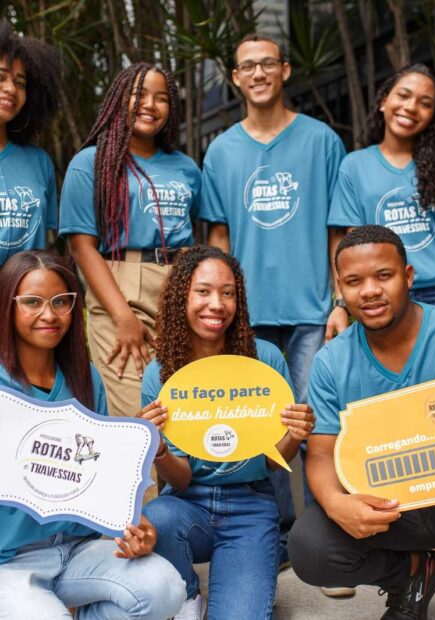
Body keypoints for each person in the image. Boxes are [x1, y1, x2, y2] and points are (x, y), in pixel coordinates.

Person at [199, 32, 348, 572]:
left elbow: (338, 231)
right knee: (264, 426)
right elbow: (218, 237)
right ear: (235, 78)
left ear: (285, 70)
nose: (258, 73)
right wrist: (219, 308)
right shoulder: (221, 151)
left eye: (267, 63)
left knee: (314, 426)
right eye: (248, 66)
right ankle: (280, 535)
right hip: (248, 315)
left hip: (312, 310)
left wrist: (341, 300)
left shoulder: (322, 141)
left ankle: (329, 537)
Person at [0, 250, 186, 619]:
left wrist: (136, 525)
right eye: (32, 302)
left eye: (61, 301)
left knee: (165, 589)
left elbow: (97, 473)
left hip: (75, 550)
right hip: (10, 561)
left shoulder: (84, 376)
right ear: (7, 305)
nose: (49, 314)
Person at [139, 245, 315, 620]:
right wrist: (158, 449)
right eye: (203, 291)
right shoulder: (160, 373)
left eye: (228, 293)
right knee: (159, 516)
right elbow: (181, 480)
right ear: (181, 296)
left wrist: (295, 434)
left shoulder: (265, 359)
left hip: (251, 506)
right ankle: (187, 596)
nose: (216, 304)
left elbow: (272, 462)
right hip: (188, 505)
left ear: (239, 300)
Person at [288, 225, 435, 620]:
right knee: (311, 547)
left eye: (383, 275)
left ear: (408, 276)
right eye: (354, 281)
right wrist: (337, 503)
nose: (370, 291)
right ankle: (412, 573)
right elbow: (321, 455)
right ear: (341, 288)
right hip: (386, 509)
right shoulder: (331, 362)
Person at [59, 61, 201, 419]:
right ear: (118, 99)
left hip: (181, 284)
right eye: (139, 94)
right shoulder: (89, 163)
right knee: (139, 413)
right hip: (122, 287)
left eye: (161, 97)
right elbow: (81, 247)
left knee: (185, 403)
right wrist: (122, 316)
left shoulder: (185, 166)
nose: (150, 105)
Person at [329, 63, 435, 307]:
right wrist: (342, 303)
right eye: (403, 95)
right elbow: (350, 242)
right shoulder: (354, 166)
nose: (410, 107)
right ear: (383, 101)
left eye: (425, 103)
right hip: (383, 295)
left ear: (433, 116)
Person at [0, 21, 59, 266]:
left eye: (20, 83)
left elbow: (47, 240)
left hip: (25, 287)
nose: (11, 89)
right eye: (1, 77)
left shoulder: (39, 162)